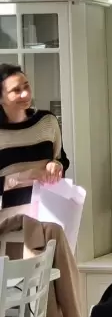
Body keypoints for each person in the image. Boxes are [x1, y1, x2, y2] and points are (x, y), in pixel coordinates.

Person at [0, 64, 68, 221]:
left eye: (26, 86)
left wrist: (56, 165)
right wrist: (25, 176)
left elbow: (61, 159)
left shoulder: (47, 121)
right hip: (8, 218)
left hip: (48, 212)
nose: (25, 94)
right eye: (16, 90)